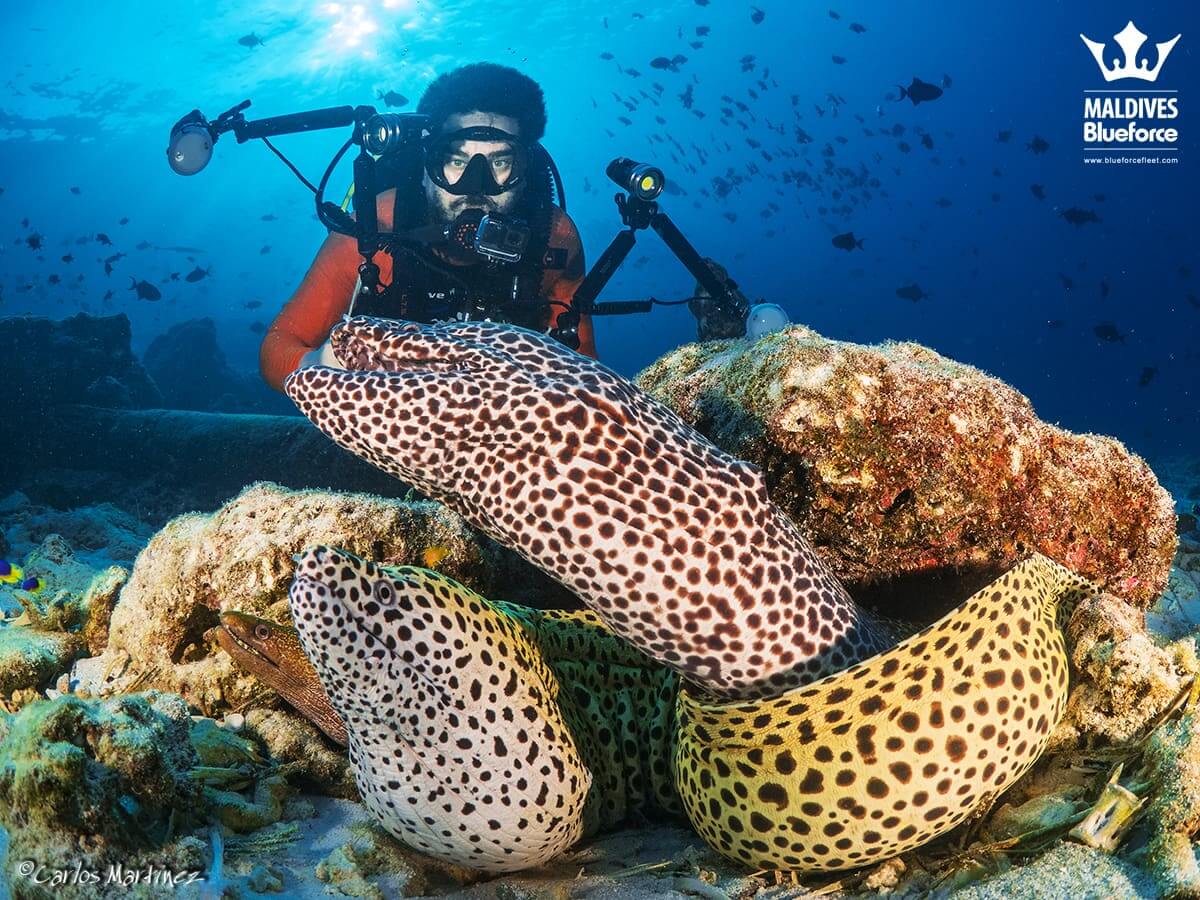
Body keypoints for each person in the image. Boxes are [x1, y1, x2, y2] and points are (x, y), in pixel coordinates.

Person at [260, 63, 597, 392]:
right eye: (456, 161)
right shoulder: (373, 230)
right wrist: (321, 365)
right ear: (425, 168)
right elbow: (279, 347)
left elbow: (583, 368)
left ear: (524, 173)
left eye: (500, 162)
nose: (475, 189)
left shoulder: (554, 239)